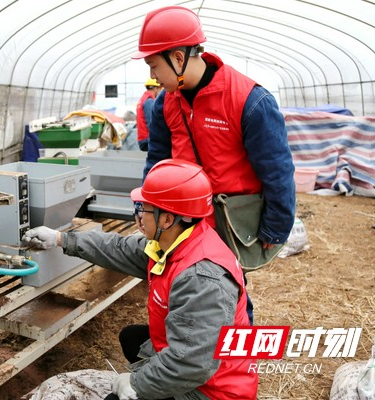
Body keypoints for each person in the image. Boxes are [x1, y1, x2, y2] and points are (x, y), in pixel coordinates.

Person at [23, 159, 258, 400]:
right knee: (132, 338)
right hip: (201, 365)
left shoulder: (202, 278)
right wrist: (61, 239)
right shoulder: (178, 241)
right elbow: (118, 248)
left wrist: (138, 383)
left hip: (212, 391)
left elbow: (192, 363)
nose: (137, 215)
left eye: (144, 208)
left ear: (167, 220)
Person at [132, 6, 297, 323]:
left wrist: (276, 226)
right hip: (184, 218)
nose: (152, 76)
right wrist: (148, 208)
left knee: (229, 290)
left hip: (228, 220)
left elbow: (278, 171)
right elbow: (158, 163)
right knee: (184, 289)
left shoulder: (249, 100)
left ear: (178, 58)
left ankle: (235, 365)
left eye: (154, 66)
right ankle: (189, 358)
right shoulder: (166, 103)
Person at [136, 78, 162, 151]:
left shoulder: (143, 99)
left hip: (143, 139)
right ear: (156, 89)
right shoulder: (149, 101)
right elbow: (152, 123)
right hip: (148, 140)